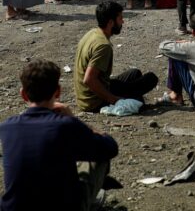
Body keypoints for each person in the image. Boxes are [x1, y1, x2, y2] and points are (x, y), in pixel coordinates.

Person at [0, 59, 118, 211]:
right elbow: (110, 147)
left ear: (23, 94)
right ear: (58, 91)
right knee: (95, 158)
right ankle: (89, 201)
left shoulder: (7, 127)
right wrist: (74, 119)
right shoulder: (65, 125)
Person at [74, 1, 158, 112]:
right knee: (151, 78)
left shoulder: (92, 33)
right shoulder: (103, 46)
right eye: (120, 19)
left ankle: (135, 99)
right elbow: (89, 79)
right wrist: (114, 100)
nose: (122, 21)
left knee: (135, 73)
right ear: (110, 22)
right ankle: (135, 102)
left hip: (87, 95)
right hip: (94, 101)